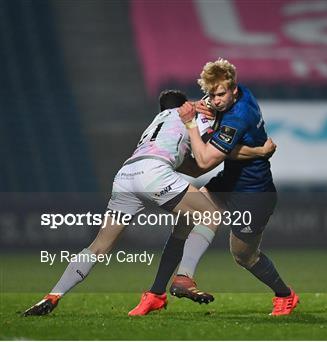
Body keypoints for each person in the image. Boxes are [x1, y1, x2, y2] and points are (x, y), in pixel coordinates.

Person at [23, 90, 273, 316]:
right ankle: (184, 278)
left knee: (99, 246)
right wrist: (259, 152)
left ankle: (53, 295)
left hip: (125, 175)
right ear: (183, 104)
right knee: (210, 215)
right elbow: (213, 152)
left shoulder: (156, 123)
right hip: (154, 173)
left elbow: (193, 169)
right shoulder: (194, 111)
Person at [132, 58, 299, 317]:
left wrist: (190, 124)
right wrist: (256, 149)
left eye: (220, 94)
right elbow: (226, 146)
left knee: (244, 256)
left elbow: (205, 160)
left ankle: (285, 295)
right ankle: (156, 292)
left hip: (254, 192)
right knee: (187, 221)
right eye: (212, 94)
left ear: (233, 89)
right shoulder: (236, 92)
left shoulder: (238, 117)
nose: (215, 100)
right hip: (228, 182)